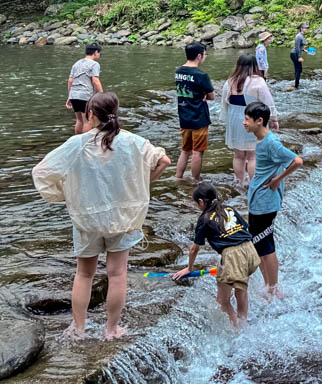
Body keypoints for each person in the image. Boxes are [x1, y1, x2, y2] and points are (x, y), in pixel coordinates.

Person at [32, 92, 170, 340]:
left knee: (84, 274)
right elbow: (164, 161)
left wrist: (67, 194)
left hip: (87, 219)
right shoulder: (134, 142)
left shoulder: (78, 144)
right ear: (116, 113)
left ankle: (79, 329)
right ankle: (111, 330)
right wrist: (143, 185)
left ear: (91, 115)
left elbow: (41, 172)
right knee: (117, 275)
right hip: (123, 218)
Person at [173, 182, 261, 328]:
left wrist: (189, 268)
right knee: (241, 289)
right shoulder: (228, 208)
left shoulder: (204, 219)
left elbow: (195, 249)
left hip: (233, 257)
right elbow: (244, 230)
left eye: (196, 203)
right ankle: (243, 321)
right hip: (250, 251)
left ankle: (236, 328)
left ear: (201, 202)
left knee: (222, 300)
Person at [245, 102, 302, 299]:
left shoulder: (271, 142)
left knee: (266, 245)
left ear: (259, 121)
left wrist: (278, 180)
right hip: (258, 201)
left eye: (247, 119)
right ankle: (268, 284)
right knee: (259, 244)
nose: (244, 123)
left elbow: (297, 161)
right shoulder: (261, 140)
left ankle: (274, 287)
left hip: (265, 204)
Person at [220, 54, 279, 185]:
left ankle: (239, 181)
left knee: (238, 155)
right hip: (253, 119)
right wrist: (274, 118)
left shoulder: (230, 81)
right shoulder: (258, 82)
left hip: (234, 120)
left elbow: (224, 103)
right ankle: (254, 183)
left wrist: (225, 120)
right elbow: (268, 102)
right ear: (254, 65)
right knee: (253, 155)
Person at [175, 42, 216, 181]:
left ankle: (178, 177)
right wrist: (204, 94)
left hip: (184, 116)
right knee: (197, 152)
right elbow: (212, 96)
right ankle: (195, 180)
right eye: (204, 54)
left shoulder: (178, 72)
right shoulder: (201, 75)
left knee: (185, 150)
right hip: (199, 117)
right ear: (199, 56)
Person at [66, 43, 103, 135]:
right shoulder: (94, 64)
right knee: (87, 121)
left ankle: (76, 141)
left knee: (79, 120)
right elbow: (95, 80)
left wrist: (69, 96)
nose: (99, 55)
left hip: (74, 95)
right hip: (85, 95)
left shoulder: (76, 63)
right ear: (95, 52)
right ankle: (85, 143)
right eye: (99, 53)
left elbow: (70, 80)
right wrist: (102, 94)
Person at [290, 23, 308, 89]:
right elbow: (297, 47)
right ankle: (296, 86)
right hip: (294, 54)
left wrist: (303, 50)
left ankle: (296, 84)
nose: (306, 29)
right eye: (305, 28)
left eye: (306, 28)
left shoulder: (301, 36)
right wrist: (299, 57)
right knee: (298, 69)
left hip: (296, 54)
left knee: (299, 69)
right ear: (301, 29)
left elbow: (300, 46)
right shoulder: (298, 36)